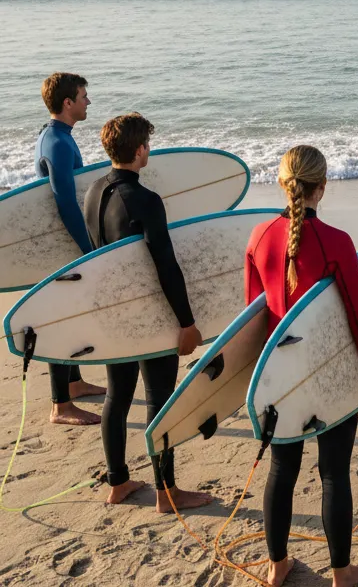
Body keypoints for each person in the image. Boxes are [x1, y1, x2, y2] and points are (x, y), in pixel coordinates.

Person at [245, 145, 358, 587]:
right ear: (322, 187)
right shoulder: (337, 241)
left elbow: (251, 318)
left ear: (283, 182)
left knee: (282, 470)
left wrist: (255, 382)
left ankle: (276, 565)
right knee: (333, 472)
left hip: (278, 379)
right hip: (329, 375)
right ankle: (342, 572)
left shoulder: (258, 236)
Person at [83, 113, 212, 513]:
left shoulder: (92, 191)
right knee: (160, 398)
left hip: (112, 314)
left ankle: (118, 482)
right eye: (148, 145)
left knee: (118, 396)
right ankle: (166, 492)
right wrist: (187, 323)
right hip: (148, 317)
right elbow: (166, 266)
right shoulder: (145, 200)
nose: (149, 151)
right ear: (139, 150)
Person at [34, 72, 105, 425]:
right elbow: (65, 202)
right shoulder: (58, 143)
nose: (87, 101)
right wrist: (89, 248)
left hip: (62, 244)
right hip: (62, 245)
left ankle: (74, 384)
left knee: (70, 315)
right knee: (59, 320)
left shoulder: (56, 136)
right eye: (83, 96)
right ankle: (60, 406)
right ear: (67, 103)